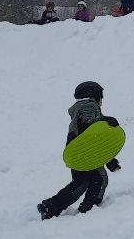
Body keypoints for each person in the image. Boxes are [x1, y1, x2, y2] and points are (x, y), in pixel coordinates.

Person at [37, 81, 121, 220]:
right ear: (95, 96)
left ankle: (51, 206)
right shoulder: (88, 106)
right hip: (86, 154)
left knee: (81, 183)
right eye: (101, 97)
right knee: (99, 179)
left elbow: (92, 138)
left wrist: (108, 159)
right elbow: (90, 127)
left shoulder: (80, 109)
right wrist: (105, 119)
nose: (102, 101)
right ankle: (89, 209)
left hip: (77, 153)